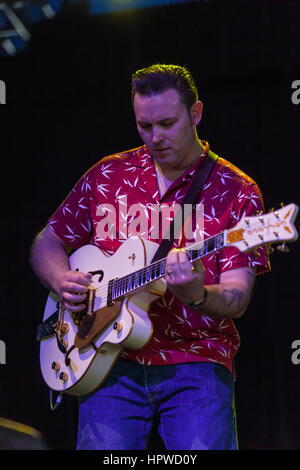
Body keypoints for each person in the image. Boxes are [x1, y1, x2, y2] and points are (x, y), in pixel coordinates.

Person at [30, 64, 270, 450]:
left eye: (167, 123)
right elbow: (48, 241)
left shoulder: (236, 190)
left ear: (196, 113)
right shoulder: (107, 174)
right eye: (144, 126)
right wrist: (60, 279)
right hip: (109, 362)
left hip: (197, 361)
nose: (155, 137)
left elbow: (237, 297)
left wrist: (197, 293)